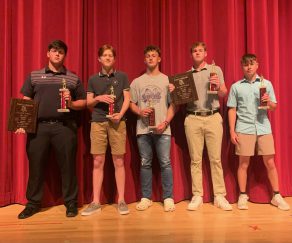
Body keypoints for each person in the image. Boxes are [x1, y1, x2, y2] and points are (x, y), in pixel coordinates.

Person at [17, 40, 87, 219]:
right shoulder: (34, 76)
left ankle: (71, 203)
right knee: (36, 167)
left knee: (68, 167)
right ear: (47, 54)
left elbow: (83, 102)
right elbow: (26, 99)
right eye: (54, 51)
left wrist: (70, 103)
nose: (57, 54)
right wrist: (22, 122)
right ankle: (32, 204)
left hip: (64, 128)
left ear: (65, 55)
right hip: (38, 128)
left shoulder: (73, 78)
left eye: (61, 52)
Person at [169, 41, 232, 211]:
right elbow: (180, 101)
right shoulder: (186, 76)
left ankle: (219, 196)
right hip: (192, 118)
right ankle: (197, 195)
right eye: (194, 51)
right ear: (191, 55)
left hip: (213, 117)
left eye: (200, 50)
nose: (197, 53)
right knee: (195, 160)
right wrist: (174, 90)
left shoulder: (215, 69)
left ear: (205, 53)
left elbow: (224, 93)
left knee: (215, 159)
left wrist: (218, 85)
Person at [227, 53, 290, 210]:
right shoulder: (236, 86)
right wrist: (231, 130)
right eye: (246, 64)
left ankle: (276, 195)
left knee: (270, 162)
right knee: (243, 163)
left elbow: (274, 106)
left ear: (257, 65)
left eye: (252, 63)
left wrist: (269, 102)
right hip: (243, 128)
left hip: (263, 127)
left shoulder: (266, 84)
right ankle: (242, 195)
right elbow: (232, 109)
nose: (249, 67)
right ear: (242, 66)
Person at [81, 44, 130, 216]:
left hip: (118, 122)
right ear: (99, 59)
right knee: (97, 161)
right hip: (98, 123)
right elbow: (88, 103)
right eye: (105, 55)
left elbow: (127, 99)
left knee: (118, 161)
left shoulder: (122, 76)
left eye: (111, 55)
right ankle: (95, 202)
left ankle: (122, 200)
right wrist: (98, 98)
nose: (108, 58)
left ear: (114, 59)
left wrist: (120, 114)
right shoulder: (93, 79)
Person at [130, 45, 176, 212]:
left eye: (154, 55)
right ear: (144, 59)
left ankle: (168, 197)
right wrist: (140, 111)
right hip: (143, 129)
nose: (150, 58)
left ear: (159, 59)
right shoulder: (137, 82)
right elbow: (131, 104)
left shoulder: (167, 81)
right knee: (145, 163)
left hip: (162, 129)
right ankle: (146, 197)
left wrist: (166, 122)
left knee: (165, 163)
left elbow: (173, 105)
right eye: (148, 55)